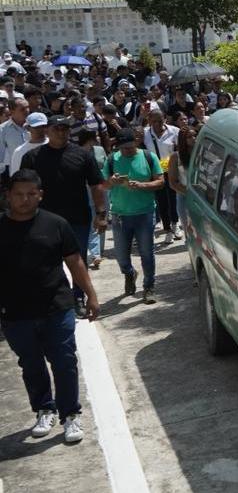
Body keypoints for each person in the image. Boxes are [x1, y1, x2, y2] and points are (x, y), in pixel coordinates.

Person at [0, 169, 101, 444]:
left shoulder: (56, 224)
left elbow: (75, 262)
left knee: (65, 361)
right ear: (8, 196)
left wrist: (91, 295)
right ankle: (45, 409)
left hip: (57, 307)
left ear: (40, 195)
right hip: (15, 314)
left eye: (31, 194)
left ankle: (71, 415)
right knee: (31, 365)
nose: (25, 199)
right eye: (19, 194)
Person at [19, 115, 108, 307]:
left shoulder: (83, 155)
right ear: (48, 131)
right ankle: (53, 297)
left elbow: (96, 185)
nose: (61, 132)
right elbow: (24, 188)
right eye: (57, 128)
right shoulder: (32, 157)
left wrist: (101, 215)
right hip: (43, 222)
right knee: (47, 261)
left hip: (77, 219)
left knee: (78, 260)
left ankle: (78, 298)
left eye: (65, 128)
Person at [104, 128, 163, 303]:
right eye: (123, 149)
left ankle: (149, 286)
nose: (127, 151)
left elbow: (160, 182)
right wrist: (111, 182)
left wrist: (142, 186)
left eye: (129, 147)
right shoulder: (111, 160)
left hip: (144, 213)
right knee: (121, 255)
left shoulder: (148, 157)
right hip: (120, 215)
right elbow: (103, 186)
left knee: (146, 252)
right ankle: (129, 273)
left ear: (136, 142)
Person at [142, 109, 181, 244]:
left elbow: (179, 149)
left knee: (173, 198)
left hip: (171, 169)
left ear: (165, 119)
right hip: (156, 172)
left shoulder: (174, 131)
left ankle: (175, 224)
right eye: (154, 122)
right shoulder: (145, 134)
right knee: (162, 200)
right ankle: (167, 229)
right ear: (150, 121)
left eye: (160, 121)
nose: (158, 124)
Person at [77, 130, 108, 270]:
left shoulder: (100, 150)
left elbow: (106, 165)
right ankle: (94, 253)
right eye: (94, 137)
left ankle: (97, 252)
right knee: (90, 219)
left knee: (101, 215)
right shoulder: (76, 152)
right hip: (85, 188)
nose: (97, 138)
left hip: (101, 186)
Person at [167, 127, 197, 237]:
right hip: (184, 197)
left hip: (202, 198)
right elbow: (173, 183)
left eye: (195, 135)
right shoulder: (176, 157)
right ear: (182, 140)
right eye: (189, 137)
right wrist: (190, 194)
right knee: (189, 233)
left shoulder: (201, 153)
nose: (194, 138)